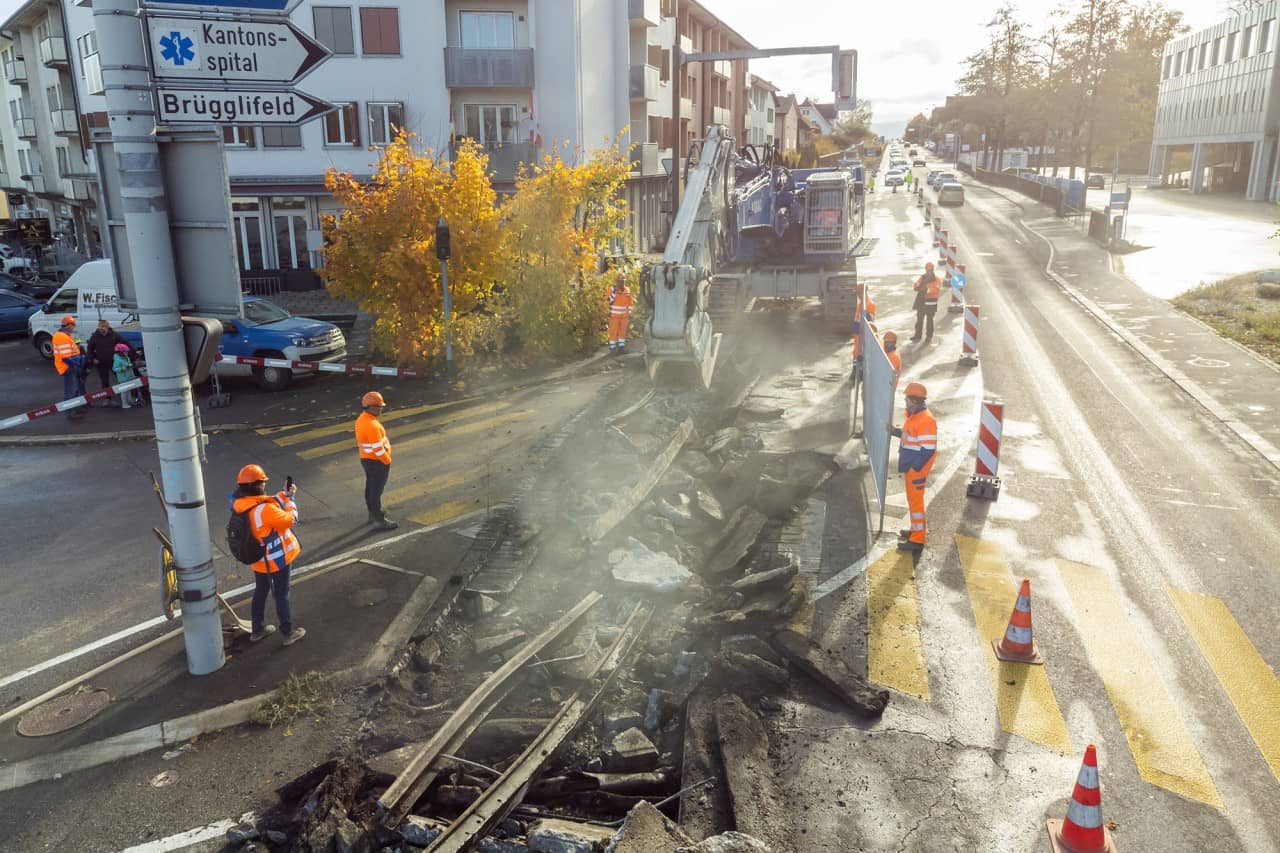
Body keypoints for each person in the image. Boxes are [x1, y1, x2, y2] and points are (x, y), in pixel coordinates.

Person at [231, 464, 305, 645]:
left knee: (261, 592)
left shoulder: (239, 504)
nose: (264, 485)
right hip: (277, 560)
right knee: (281, 595)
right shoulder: (265, 510)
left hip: (259, 560)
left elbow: (268, 501)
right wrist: (291, 500)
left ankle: (257, 630)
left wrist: (283, 494)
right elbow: (291, 520)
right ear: (257, 485)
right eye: (263, 482)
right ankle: (288, 633)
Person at [887, 382, 938, 552]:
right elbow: (910, 437)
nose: (905, 401)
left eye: (907, 399)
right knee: (913, 501)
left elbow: (928, 450)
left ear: (914, 401)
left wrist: (914, 469)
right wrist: (895, 432)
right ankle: (915, 531)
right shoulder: (914, 417)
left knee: (916, 503)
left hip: (916, 470)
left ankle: (917, 540)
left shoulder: (925, 420)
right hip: (913, 468)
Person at [356, 391, 398, 530]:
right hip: (377, 462)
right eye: (379, 406)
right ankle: (378, 520)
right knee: (376, 491)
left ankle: (372, 513)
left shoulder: (362, 419)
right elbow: (378, 449)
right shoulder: (372, 425)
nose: (381, 409)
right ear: (372, 407)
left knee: (371, 487)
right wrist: (387, 460)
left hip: (367, 461)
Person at [87, 319, 130, 404]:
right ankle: (107, 398)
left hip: (113, 361)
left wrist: (134, 351)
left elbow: (125, 342)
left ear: (107, 327)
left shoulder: (114, 335)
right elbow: (89, 349)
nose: (100, 328)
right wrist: (92, 359)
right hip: (101, 363)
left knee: (121, 378)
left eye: (102, 327)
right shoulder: (95, 336)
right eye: (99, 326)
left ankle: (127, 395)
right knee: (104, 380)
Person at [51, 316, 86, 420]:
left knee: (75, 389)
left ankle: (75, 408)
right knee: (70, 390)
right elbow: (65, 357)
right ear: (69, 325)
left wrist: (77, 347)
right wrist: (76, 365)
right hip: (68, 367)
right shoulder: (61, 336)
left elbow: (70, 350)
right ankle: (70, 412)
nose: (74, 328)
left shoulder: (66, 335)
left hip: (70, 366)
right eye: (73, 326)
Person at [850, 286, 878, 380]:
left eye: (858, 293)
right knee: (856, 352)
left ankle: (858, 372)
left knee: (860, 353)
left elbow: (868, 323)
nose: (857, 295)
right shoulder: (862, 303)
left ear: (862, 292)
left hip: (862, 334)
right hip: (858, 334)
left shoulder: (868, 305)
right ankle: (857, 371)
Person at [911, 262, 942, 343]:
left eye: (930, 270)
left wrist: (926, 290)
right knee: (919, 320)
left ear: (932, 270)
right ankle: (918, 336)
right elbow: (916, 285)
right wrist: (917, 287)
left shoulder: (937, 279)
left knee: (929, 320)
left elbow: (936, 290)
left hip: (930, 304)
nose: (928, 272)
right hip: (921, 302)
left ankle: (929, 336)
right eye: (927, 270)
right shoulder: (922, 277)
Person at [111, 343, 143, 409]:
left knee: (128, 389)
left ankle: (129, 401)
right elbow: (114, 369)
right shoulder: (118, 360)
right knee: (124, 391)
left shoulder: (126, 357)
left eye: (127, 352)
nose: (127, 353)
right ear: (121, 352)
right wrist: (121, 369)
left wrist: (130, 365)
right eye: (125, 352)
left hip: (129, 377)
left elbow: (128, 364)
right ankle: (124, 404)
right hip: (123, 378)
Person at [607, 275, 634, 353]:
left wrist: (629, 312)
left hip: (624, 316)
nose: (622, 283)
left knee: (622, 332)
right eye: (620, 282)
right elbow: (608, 300)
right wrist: (614, 293)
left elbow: (630, 302)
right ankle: (612, 348)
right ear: (617, 282)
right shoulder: (612, 289)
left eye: (623, 281)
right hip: (614, 316)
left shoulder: (627, 290)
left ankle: (621, 347)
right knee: (613, 331)